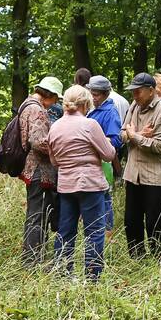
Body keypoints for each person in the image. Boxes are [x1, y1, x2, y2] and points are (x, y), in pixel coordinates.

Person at [48, 85, 116, 280]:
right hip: (90, 185)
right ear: (86, 103)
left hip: (66, 185)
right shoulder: (90, 125)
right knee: (94, 231)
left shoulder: (55, 127)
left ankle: (63, 275)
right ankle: (92, 278)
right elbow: (109, 154)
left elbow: (54, 161)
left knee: (65, 231)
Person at [119, 73, 161, 259]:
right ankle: (137, 257)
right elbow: (123, 134)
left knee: (154, 221)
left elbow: (160, 146)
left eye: (137, 92)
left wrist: (135, 136)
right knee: (131, 220)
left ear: (150, 91)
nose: (134, 96)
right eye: (132, 92)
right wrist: (139, 134)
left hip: (153, 174)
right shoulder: (133, 106)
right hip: (133, 172)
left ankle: (159, 258)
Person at [18, 76, 63, 267]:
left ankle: (34, 255)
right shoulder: (37, 109)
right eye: (55, 99)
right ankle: (32, 260)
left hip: (32, 169)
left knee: (37, 213)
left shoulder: (26, 105)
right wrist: (59, 146)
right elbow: (38, 142)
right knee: (37, 215)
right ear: (50, 95)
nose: (55, 103)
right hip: (39, 170)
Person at [86, 75, 123, 237]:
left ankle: (108, 234)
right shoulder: (93, 109)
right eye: (91, 93)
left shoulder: (110, 111)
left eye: (97, 94)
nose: (93, 97)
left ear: (106, 94)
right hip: (91, 164)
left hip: (102, 164)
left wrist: (97, 141)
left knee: (104, 199)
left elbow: (116, 140)